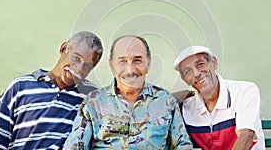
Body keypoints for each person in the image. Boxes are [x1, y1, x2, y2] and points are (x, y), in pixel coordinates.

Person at [63, 35, 193, 149]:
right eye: (122, 61)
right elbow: (75, 146)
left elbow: (182, 145)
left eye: (137, 60)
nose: (130, 70)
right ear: (112, 66)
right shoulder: (93, 102)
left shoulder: (165, 101)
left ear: (148, 64)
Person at [0, 31, 103, 149]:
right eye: (76, 58)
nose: (78, 69)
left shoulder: (92, 97)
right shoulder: (20, 88)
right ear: (64, 49)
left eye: (87, 66)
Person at [173, 45, 265, 150]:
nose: (196, 73)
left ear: (213, 63)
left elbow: (246, 136)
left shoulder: (245, 91)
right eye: (187, 72)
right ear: (184, 79)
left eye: (200, 64)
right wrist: (173, 97)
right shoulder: (186, 108)